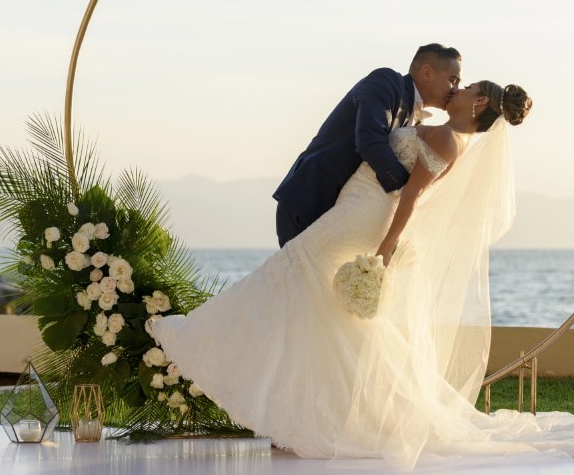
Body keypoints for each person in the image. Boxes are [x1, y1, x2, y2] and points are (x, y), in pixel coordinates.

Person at [153, 78, 534, 468]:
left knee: (292, 270)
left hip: (364, 214)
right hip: (357, 204)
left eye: (468, 87)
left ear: (481, 101)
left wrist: (385, 250)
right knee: (317, 305)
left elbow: (411, 197)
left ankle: (201, 339)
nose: (459, 89)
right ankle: (309, 411)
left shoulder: (449, 139)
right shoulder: (449, 134)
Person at [272, 43, 462, 247]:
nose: (456, 89)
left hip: (345, 216)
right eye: (453, 80)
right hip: (312, 197)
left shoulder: (417, 120)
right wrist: (407, 190)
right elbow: (370, 141)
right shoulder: (386, 81)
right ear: (427, 72)